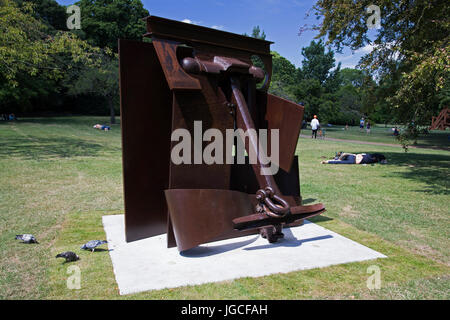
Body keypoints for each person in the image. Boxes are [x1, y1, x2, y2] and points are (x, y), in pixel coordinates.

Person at [321, 152, 387, 164]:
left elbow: (345, 154)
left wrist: (327, 161)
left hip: (355, 158)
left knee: (339, 160)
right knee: (339, 160)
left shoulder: (373, 159)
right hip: (355, 158)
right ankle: (337, 157)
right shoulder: (370, 156)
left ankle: (335, 158)